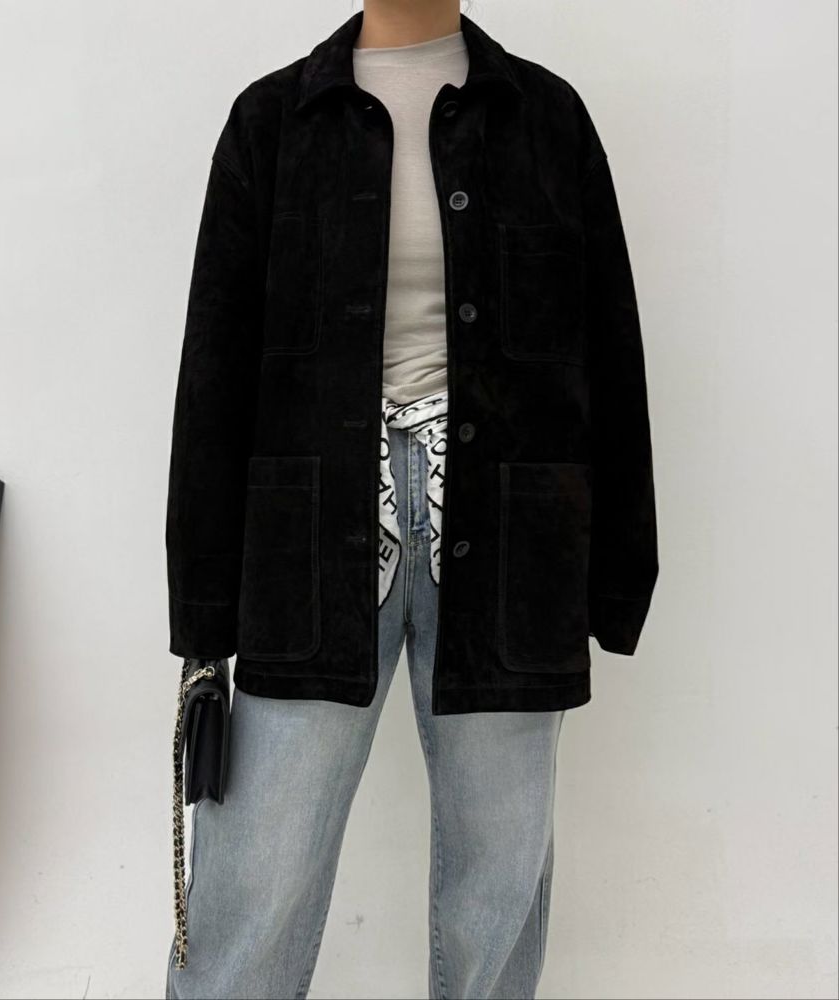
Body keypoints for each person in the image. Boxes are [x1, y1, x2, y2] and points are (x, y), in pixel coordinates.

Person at [164, 2, 659, 997]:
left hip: (512, 539)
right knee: (258, 869)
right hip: (310, 538)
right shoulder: (273, 121)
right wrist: (204, 611)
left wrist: (619, 572)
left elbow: (608, 349)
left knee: (499, 874)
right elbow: (215, 369)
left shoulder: (546, 117)